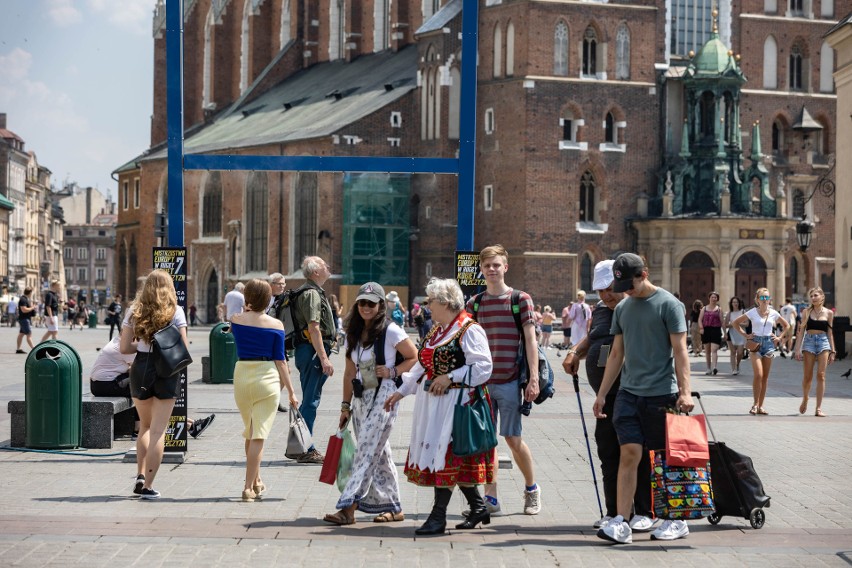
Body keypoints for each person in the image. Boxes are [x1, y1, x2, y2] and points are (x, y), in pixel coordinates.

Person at [593, 253, 693, 544]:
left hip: (662, 394)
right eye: (621, 284)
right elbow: (616, 354)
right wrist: (601, 394)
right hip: (628, 394)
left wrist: (685, 392)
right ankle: (621, 522)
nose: (626, 290)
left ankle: (676, 519)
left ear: (644, 273)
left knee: (664, 459)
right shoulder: (623, 307)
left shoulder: (669, 305)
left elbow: (681, 351)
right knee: (629, 453)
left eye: (630, 283)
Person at [384, 277, 495, 535]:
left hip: (457, 404)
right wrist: (401, 391)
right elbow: (422, 365)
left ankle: (438, 517)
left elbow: (483, 367)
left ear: (445, 302)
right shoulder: (438, 330)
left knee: (446, 455)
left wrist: (450, 377)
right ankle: (478, 507)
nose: (427, 306)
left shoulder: (468, 329)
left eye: (431, 301)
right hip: (435, 405)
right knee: (448, 456)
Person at [562, 260, 655, 532]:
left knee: (636, 453)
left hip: (633, 393)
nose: (605, 295)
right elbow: (593, 337)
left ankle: (643, 512)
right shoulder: (602, 310)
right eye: (600, 291)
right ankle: (614, 511)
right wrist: (574, 352)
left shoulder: (636, 308)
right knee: (608, 452)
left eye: (610, 289)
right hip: (605, 396)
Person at [323, 282, 418, 525]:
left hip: (384, 395)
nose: (366, 307)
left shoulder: (391, 330)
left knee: (365, 449)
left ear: (380, 305)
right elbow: (348, 373)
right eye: (362, 303)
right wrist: (345, 406)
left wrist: (393, 370)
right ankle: (394, 506)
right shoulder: (352, 332)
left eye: (371, 303)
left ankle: (348, 506)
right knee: (379, 452)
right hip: (360, 396)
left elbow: (414, 356)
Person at [467, 244, 541, 516]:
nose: (492, 269)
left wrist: (533, 379)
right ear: (482, 270)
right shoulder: (475, 303)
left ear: (505, 267)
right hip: (482, 383)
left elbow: (531, 341)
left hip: (509, 380)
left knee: (512, 438)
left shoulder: (520, 299)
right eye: (487, 265)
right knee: (486, 442)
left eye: (496, 265)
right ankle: (491, 499)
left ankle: (532, 489)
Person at [120, 269, 189, 500]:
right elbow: (183, 348)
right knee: (159, 431)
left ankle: (139, 475)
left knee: (145, 427)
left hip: (141, 368)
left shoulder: (134, 311)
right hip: (166, 372)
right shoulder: (176, 311)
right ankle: (148, 486)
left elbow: (124, 348)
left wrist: (142, 345)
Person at [230, 278, 299, 501]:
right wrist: (291, 391)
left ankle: (257, 480)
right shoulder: (276, 325)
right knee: (258, 434)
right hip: (267, 378)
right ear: (269, 299)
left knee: (250, 431)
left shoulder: (236, 320)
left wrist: (247, 308)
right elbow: (281, 362)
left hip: (242, 375)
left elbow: (237, 327)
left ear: (246, 298)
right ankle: (248, 486)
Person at [291, 256, 337, 464]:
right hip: (312, 351)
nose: (328, 267)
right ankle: (304, 448)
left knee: (310, 399)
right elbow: (314, 327)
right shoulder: (311, 294)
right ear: (315, 272)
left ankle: (299, 445)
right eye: (324, 265)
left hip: (308, 351)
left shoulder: (312, 291)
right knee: (311, 400)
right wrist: (324, 358)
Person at [731, 287, 790, 416]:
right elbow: (735, 323)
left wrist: (779, 337)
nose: (765, 300)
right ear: (757, 299)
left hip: (769, 344)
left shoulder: (774, 313)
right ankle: (755, 404)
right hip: (755, 344)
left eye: (767, 297)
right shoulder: (752, 312)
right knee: (758, 375)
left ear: (770, 299)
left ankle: (761, 406)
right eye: (762, 297)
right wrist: (745, 335)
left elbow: (787, 325)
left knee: (765, 377)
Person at [793, 287, 835, 417]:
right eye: (811, 296)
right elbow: (800, 333)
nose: (813, 298)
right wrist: (797, 349)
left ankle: (818, 408)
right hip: (809, 342)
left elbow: (830, 332)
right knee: (807, 376)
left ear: (822, 297)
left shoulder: (829, 313)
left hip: (823, 342)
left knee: (821, 375)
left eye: (815, 295)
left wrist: (833, 350)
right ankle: (805, 398)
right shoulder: (806, 311)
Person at [698, 291, 724, 375]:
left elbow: (722, 321)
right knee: (707, 350)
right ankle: (708, 368)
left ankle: (714, 367)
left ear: (717, 299)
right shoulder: (704, 308)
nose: (714, 299)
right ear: (709, 298)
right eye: (712, 297)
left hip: (716, 330)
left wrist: (725, 333)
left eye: (715, 297)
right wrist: (701, 328)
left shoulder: (719, 309)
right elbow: (699, 320)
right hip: (706, 330)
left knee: (714, 349)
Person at [725, 296, 746, 375]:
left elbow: (747, 324)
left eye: (736, 302)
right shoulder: (729, 313)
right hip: (731, 334)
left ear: (739, 303)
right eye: (733, 302)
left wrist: (737, 324)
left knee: (740, 352)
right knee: (733, 352)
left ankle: (737, 364)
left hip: (741, 334)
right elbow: (726, 324)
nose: (735, 304)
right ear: (731, 304)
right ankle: (733, 369)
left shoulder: (743, 312)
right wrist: (731, 325)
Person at [15, 288, 35, 353]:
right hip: (24, 319)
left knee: (21, 334)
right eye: (31, 293)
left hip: (24, 318)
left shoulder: (25, 299)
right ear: (30, 293)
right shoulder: (23, 299)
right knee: (29, 334)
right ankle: (34, 349)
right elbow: (23, 310)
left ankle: (18, 349)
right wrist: (32, 308)